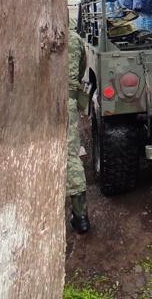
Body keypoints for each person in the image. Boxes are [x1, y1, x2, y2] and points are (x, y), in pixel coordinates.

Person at [67, 30, 91, 233]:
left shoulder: (26, 38)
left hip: (35, 102)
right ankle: (80, 215)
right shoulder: (74, 39)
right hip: (67, 100)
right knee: (70, 154)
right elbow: (82, 68)